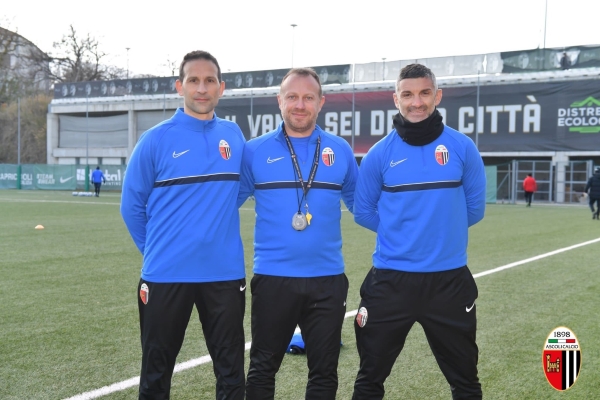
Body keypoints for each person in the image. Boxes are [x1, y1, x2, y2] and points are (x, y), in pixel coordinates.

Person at [352, 63, 486, 399]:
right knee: (368, 380)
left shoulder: (462, 147)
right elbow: (363, 211)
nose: (417, 102)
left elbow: (474, 209)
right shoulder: (378, 154)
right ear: (395, 99)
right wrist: (401, 234)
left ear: (437, 96)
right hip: (390, 282)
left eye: (425, 93)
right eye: (408, 94)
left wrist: (438, 232)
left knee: (466, 382)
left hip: (449, 282)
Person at [120, 50, 247, 400]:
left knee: (232, 373)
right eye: (194, 80)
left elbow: (238, 191)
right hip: (166, 274)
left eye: (209, 81)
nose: (201, 88)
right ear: (180, 86)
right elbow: (131, 207)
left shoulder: (234, 136)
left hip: (223, 274)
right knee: (156, 374)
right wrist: (158, 251)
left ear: (221, 88)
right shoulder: (155, 139)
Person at [238, 67, 359, 399]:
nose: (300, 105)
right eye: (292, 97)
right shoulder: (254, 151)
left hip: (327, 280)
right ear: (279, 100)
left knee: (324, 372)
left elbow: (363, 207)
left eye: (308, 97)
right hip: (273, 278)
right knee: (262, 368)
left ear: (321, 102)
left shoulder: (340, 150)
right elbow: (223, 205)